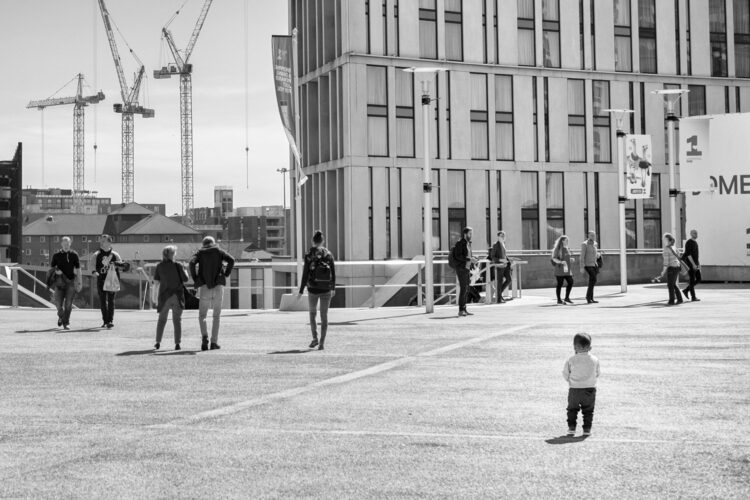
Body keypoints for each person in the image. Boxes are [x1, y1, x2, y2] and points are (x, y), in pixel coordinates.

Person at [189, 236, 235, 351]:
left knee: (202, 315)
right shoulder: (219, 251)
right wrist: (226, 274)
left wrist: (196, 278)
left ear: (203, 244)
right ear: (213, 243)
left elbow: (191, 263)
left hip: (204, 286)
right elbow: (232, 260)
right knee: (216, 316)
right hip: (218, 286)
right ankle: (214, 342)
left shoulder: (200, 253)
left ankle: (205, 337)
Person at [298, 230, 336, 350]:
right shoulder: (328, 254)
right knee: (324, 316)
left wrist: (301, 290)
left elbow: (305, 274)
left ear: (312, 241)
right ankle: (322, 343)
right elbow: (333, 273)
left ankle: (314, 338)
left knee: (312, 314)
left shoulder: (309, 254)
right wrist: (333, 287)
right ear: (322, 241)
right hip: (326, 289)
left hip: (313, 289)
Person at [562, 332, 600, 437]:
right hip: (590, 389)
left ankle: (571, 428)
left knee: (572, 409)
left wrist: (570, 381)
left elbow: (565, 373)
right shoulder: (595, 359)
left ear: (574, 347)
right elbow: (597, 373)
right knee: (588, 411)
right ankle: (587, 429)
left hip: (574, 389)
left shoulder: (571, 359)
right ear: (590, 347)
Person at [153, 245, 189, 351]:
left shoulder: (159, 266)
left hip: (164, 296)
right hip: (177, 296)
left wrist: (155, 297)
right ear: (172, 254)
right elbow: (185, 279)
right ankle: (177, 344)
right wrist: (185, 269)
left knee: (161, 320)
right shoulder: (178, 265)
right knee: (177, 321)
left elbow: (156, 282)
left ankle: (158, 342)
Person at [92, 234, 126, 329]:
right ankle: (105, 320)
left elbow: (122, 266)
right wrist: (94, 272)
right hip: (101, 280)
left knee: (111, 301)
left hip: (112, 281)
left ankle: (110, 321)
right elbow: (92, 265)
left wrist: (118, 265)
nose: (101, 242)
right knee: (103, 301)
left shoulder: (115, 255)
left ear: (109, 242)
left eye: (104, 240)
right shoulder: (97, 254)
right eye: (101, 241)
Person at [49, 236, 81, 329]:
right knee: (58, 303)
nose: (66, 245)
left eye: (68, 244)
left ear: (70, 244)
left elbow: (78, 269)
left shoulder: (74, 255)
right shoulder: (56, 255)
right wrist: (56, 271)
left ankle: (66, 323)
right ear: (61, 244)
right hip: (59, 282)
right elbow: (52, 268)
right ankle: (61, 316)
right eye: (64, 244)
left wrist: (79, 281)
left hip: (71, 282)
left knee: (68, 304)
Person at [454, 227, 478, 317]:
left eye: (471, 233)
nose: (471, 235)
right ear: (465, 234)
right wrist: (470, 259)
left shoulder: (469, 243)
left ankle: (464, 309)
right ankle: (461, 310)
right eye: (469, 234)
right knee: (464, 288)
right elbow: (458, 256)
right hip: (461, 268)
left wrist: (474, 259)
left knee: (467, 288)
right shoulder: (460, 243)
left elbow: (468, 256)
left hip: (467, 268)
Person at [653, 232, 683, 306]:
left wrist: (663, 272)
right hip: (677, 267)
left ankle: (671, 301)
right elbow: (679, 255)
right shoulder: (674, 247)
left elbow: (666, 262)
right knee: (674, 284)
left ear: (668, 240)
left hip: (672, 268)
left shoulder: (666, 249)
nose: (663, 241)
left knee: (670, 285)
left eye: (664, 240)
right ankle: (680, 299)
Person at [551, 235, 575, 305]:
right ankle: (559, 299)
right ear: (562, 241)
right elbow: (554, 258)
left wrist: (570, 259)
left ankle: (567, 298)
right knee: (560, 284)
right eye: (566, 240)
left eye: (568, 240)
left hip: (567, 269)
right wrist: (561, 262)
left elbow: (566, 258)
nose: (568, 242)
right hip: (560, 269)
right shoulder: (557, 249)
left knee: (571, 282)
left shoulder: (567, 248)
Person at [489, 231, 511, 303]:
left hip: (505, 265)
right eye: (501, 236)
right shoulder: (496, 245)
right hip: (499, 266)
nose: (503, 237)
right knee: (500, 281)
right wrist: (501, 260)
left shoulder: (504, 244)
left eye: (504, 236)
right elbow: (492, 257)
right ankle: (498, 298)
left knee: (509, 279)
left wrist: (508, 260)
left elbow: (504, 255)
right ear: (498, 237)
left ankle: (499, 294)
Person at [580, 231, 601, 304]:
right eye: (591, 235)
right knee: (593, 279)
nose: (593, 236)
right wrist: (581, 267)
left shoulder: (595, 243)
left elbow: (595, 253)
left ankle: (591, 298)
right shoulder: (584, 244)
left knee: (592, 281)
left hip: (594, 264)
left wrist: (597, 255)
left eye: (594, 235)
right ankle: (588, 297)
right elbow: (582, 256)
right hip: (587, 265)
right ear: (588, 236)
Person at [682, 229, 701, 302]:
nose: (696, 234)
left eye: (696, 233)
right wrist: (693, 264)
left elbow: (696, 255)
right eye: (694, 233)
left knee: (699, 279)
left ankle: (686, 290)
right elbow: (688, 255)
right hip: (690, 264)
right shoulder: (689, 242)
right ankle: (693, 297)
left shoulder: (695, 242)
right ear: (691, 234)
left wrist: (698, 264)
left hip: (695, 264)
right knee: (692, 280)